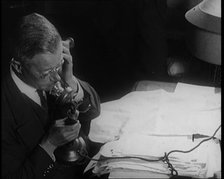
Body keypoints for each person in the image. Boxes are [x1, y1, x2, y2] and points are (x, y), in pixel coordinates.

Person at [1, 13, 101, 179]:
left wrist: (70, 79)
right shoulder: (5, 109)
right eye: (47, 72)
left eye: (59, 65)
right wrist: (50, 144)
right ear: (18, 67)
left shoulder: (52, 72)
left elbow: (94, 111)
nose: (56, 78)